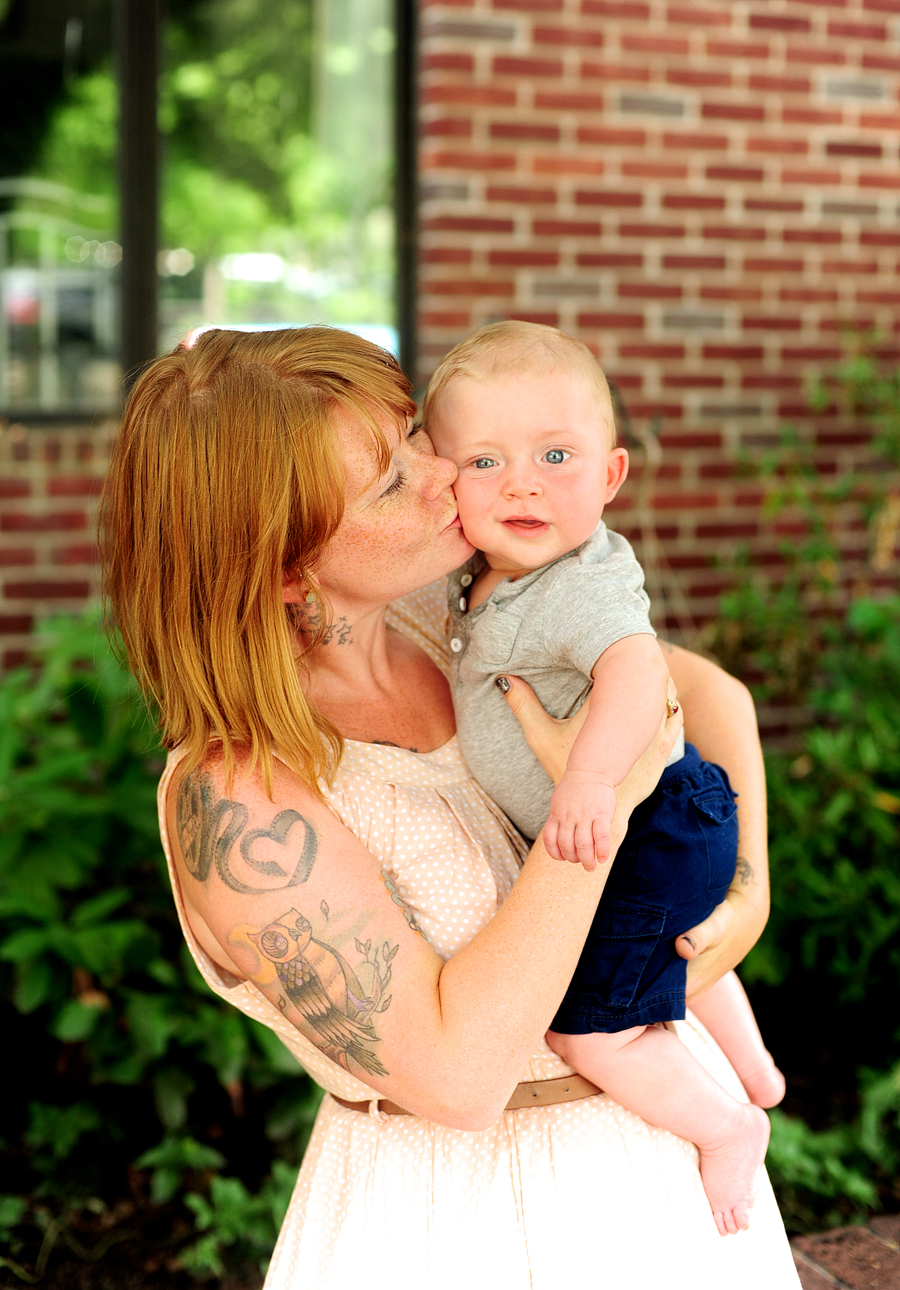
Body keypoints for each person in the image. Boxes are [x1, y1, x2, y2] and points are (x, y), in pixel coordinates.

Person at [100, 326, 800, 1290]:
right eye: (391, 481)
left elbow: (710, 696)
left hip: (668, 1173)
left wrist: (749, 887)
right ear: (284, 567)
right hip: (455, 1225)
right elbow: (461, 1079)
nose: (443, 473)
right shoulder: (241, 801)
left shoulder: (452, 616)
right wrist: (601, 804)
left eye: (413, 434)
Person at [424, 320, 786, 1237]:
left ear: (611, 476)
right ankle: (757, 1069)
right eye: (485, 462)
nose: (523, 483)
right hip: (669, 822)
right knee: (668, 947)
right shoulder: (483, 575)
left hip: (646, 819)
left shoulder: (578, 583)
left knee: (587, 1026)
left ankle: (731, 1124)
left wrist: (588, 783)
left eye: (555, 455)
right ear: (442, 478)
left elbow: (634, 672)